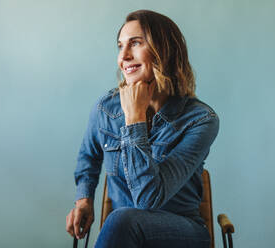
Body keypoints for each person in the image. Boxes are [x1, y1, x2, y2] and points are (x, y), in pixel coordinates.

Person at [66, 9, 219, 248]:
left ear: (164, 51)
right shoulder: (106, 109)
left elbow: (148, 200)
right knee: (122, 220)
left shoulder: (200, 120)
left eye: (135, 43)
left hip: (181, 231)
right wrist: (83, 201)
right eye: (120, 46)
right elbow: (89, 156)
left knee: (123, 220)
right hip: (123, 233)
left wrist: (134, 118)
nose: (123, 56)